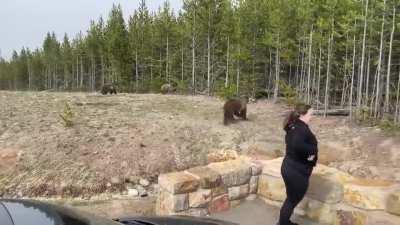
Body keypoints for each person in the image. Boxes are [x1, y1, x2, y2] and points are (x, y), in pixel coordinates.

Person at [277, 103, 318, 225]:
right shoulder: (300, 129)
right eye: (310, 114)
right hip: (296, 171)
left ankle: (284, 222)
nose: (312, 116)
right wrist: (310, 156)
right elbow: (297, 145)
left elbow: (293, 144)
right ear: (302, 114)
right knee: (291, 200)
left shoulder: (293, 126)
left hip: (289, 167)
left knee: (290, 199)